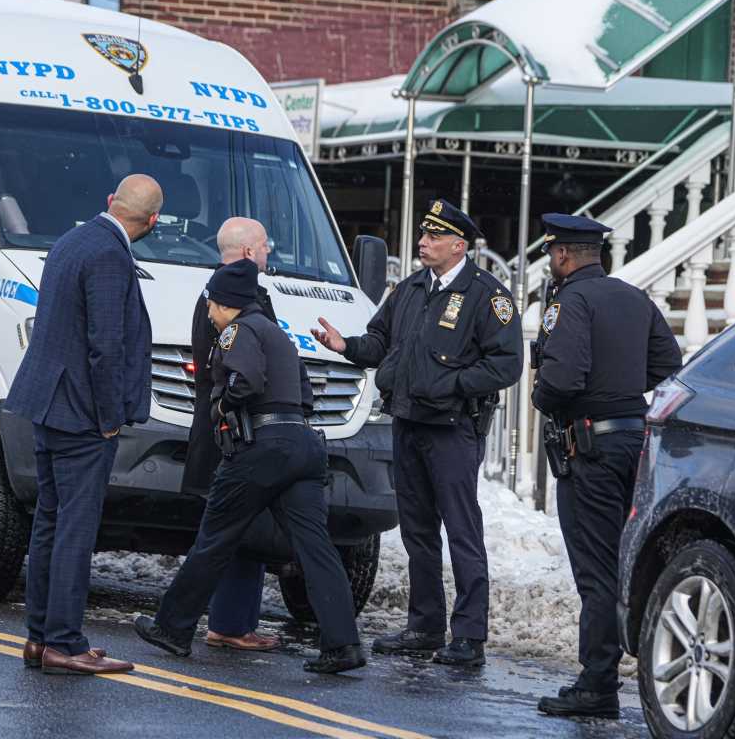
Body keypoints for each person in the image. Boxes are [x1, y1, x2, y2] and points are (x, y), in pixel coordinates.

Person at [312, 198, 522, 668]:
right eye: (423, 234)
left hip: (452, 428)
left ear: (458, 245)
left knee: (462, 530)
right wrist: (345, 347)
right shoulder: (409, 289)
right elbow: (380, 342)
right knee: (418, 532)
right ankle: (424, 624)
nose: (422, 242)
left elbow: (506, 364)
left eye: (433, 236)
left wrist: (451, 385)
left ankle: (469, 635)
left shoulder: (488, 295)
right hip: (408, 423)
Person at [135, 259, 365, 674]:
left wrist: (223, 405)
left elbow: (247, 381)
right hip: (303, 446)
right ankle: (343, 645)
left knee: (214, 537)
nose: (208, 311)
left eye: (211, 304)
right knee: (316, 548)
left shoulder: (237, 331)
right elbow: (305, 392)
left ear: (227, 303)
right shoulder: (278, 334)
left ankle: (172, 627)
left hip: (261, 449)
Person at [4, 173, 164, 675]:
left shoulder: (72, 240)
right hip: (83, 414)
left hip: (49, 403)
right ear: (154, 221)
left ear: (110, 200)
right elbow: (105, 344)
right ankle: (65, 643)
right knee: (75, 527)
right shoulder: (111, 257)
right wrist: (111, 417)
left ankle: (40, 637)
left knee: (50, 522)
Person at [530, 213, 682, 719]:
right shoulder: (634, 297)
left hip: (590, 446)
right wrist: (621, 386)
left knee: (596, 569)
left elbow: (562, 379)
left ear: (565, 255)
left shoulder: (570, 300)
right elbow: (669, 364)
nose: (552, 262)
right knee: (623, 559)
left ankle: (597, 683)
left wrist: (541, 393)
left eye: (553, 254)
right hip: (633, 443)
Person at [184, 217, 279, 653]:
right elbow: (241, 367)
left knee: (235, 530)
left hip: (226, 429)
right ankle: (228, 623)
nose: (268, 252)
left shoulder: (219, 291)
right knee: (237, 532)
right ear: (246, 252)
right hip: (234, 431)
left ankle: (232, 621)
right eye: (263, 246)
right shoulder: (234, 296)